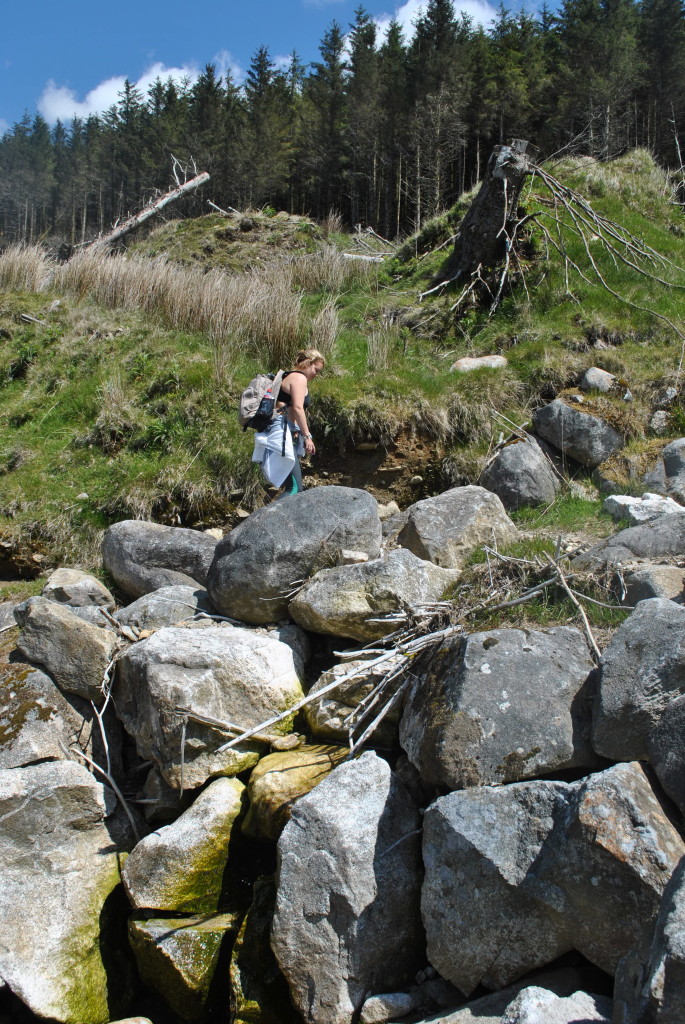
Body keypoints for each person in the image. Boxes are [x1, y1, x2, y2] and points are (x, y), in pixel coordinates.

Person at [251, 348, 325, 497]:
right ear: (308, 363)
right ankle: (269, 520)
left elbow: (287, 406)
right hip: (281, 432)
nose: (317, 375)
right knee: (294, 488)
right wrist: (307, 436)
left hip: (283, 431)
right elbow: (298, 408)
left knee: (294, 486)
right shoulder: (299, 378)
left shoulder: (289, 376)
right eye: (316, 370)